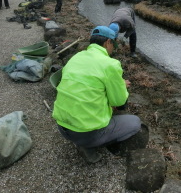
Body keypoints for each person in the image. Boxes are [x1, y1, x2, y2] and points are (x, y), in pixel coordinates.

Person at [52, 26, 141, 163]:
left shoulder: (76, 57)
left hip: (62, 127)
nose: (114, 48)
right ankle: (91, 144)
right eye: (114, 44)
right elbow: (119, 102)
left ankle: (84, 141)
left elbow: (87, 86)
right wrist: (121, 85)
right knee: (135, 123)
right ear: (108, 42)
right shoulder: (110, 64)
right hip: (86, 134)